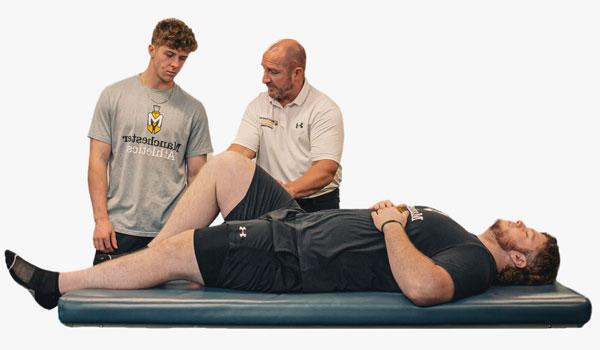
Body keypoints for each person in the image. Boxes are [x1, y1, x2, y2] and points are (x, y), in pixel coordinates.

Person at [5, 152, 559, 310]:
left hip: (291, 257)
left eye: (527, 235)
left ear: (517, 264)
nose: (520, 224)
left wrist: (392, 225)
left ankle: (59, 285)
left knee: (181, 251)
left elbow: (425, 288)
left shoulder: (477, 265)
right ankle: (137, 266)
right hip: (297, 224)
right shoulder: (467, 237)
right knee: (225, 166)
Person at [87, 18, 213, 265]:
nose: (175, 64)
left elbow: (198, 177)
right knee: (105, 303)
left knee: (170, 304)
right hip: (118, 229)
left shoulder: (193, 110)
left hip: (170, 232)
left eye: (182, 58)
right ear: (151, 49)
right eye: (169, 54)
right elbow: (97, 160)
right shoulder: (114, 95)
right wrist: (101, 219)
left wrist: (190, 232)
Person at [228, 39, 344, 212]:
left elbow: (325, 170)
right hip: (272, 201)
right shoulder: (259, 105)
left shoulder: (324, 110)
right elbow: (241, 151)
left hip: (316, 205)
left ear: (297, 73)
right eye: (264, 69)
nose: (264, 79)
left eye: (273, 72)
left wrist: (287, 190)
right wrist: (215, 170)